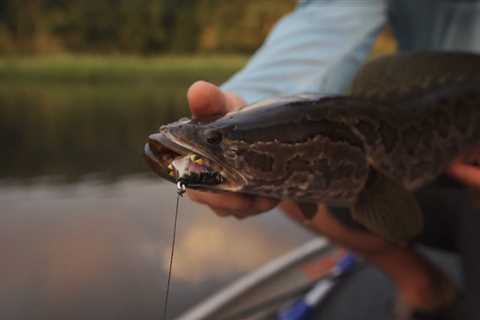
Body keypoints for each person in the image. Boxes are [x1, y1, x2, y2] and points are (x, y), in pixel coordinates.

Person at [185, 0, 480, 319]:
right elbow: (330, 15)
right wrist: (245, 104)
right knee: (291, 192)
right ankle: (426, 287)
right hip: (423, 159)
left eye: (217, 141)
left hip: (443, 155)